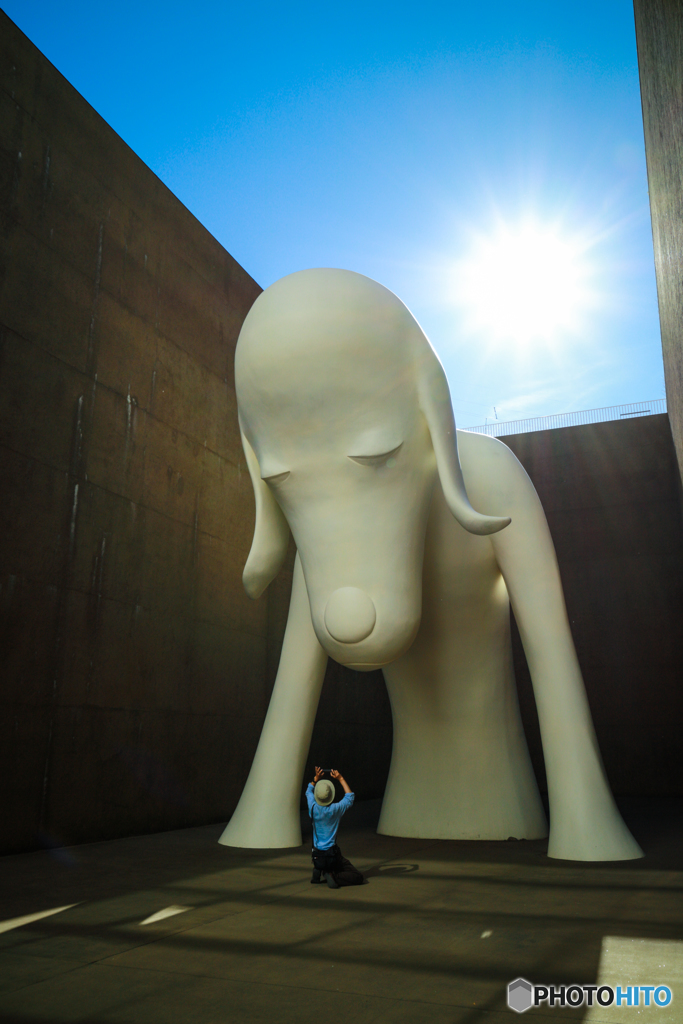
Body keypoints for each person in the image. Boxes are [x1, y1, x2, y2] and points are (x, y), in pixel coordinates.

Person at [306, 767, 364, 888]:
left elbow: (308, 791)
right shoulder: (336, 809)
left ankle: (319, 868)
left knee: (322, 861)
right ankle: (332, 875)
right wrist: (340, 778)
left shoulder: (312, 808)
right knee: (357, 876)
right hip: (332, 855)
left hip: (317, 854)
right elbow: (350, 797)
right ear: (331, 795)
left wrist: (315, 779)